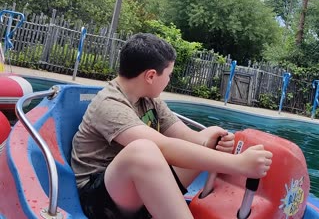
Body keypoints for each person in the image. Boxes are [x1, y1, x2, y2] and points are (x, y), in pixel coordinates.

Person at [70, 33, 273, 219]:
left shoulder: (149, 99)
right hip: (99, 200)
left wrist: (210, 139)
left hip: (138, 193)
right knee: (144, 150)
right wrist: (240, 164)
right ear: (150, 76)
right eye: (168, 74)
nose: (169, 80)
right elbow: (164, 147)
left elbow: (185, 136)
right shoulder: (109, 104)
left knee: (205, 141)